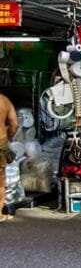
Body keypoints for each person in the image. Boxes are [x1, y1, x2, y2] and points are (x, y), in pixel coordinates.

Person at [0, 92, 19, 221]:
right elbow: (14, 124)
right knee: (0, 180)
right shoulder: (4, 100)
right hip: (0, 141)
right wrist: (8, 137)